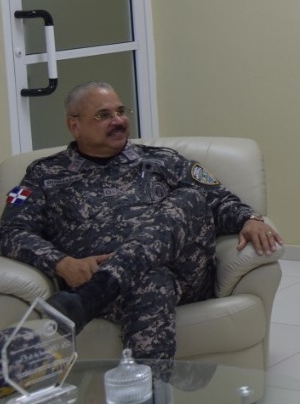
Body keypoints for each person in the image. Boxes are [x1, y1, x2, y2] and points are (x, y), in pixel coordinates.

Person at [0, 82, 282, 360]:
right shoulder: (45, 174)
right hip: (118, 282)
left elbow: (220, 199)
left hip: (184, 275)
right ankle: (153, 385)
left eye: (121, 112)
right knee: (150, 281)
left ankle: (95, 294)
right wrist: (62, 264)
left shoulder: (162, 161)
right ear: (74, 125)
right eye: (103, 115)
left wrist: (249, 218)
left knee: (189, 198)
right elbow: (11, 231)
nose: (118, 121)